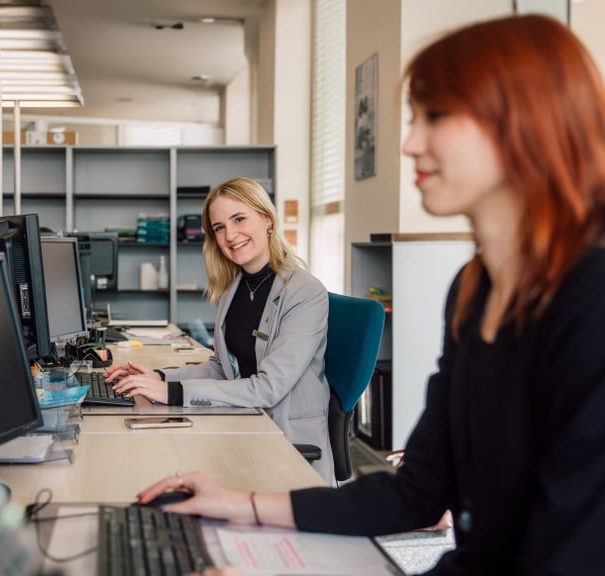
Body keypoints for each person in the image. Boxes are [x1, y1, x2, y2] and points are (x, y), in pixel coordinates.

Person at [136, 14, 605, 575]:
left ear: (525, 125)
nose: (409, 142)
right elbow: (415, 495)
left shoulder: (590, 303)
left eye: (436, 116)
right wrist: (242, 505)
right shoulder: (475, 293)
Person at [104, 176, 335, 483]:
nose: (230, 235)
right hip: (243, 422)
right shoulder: (233, 287)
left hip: (284, 440)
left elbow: (268, 388)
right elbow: (221, 367)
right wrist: (158, 377)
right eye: (219, 227)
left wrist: (172, 392)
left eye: (239, 219)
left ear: (267, 219)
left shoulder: (305, 292)